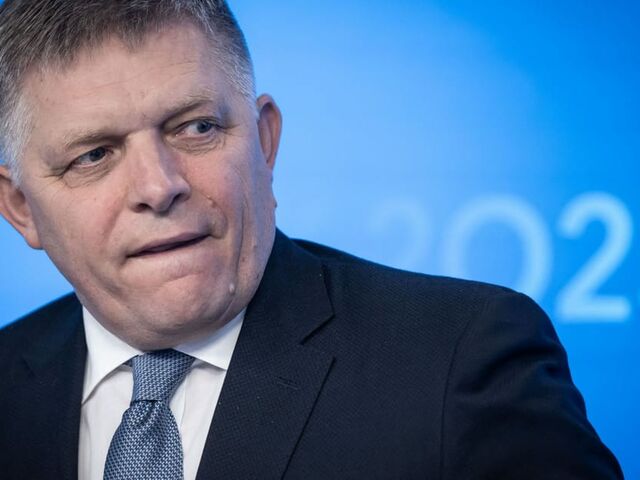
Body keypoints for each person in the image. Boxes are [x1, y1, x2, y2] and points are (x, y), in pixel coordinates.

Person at [0, 1, 623, 479]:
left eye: (196, 127)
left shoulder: (463, 362)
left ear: (264, 141)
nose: (159, 187)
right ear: (21, 207)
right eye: (94, 156)